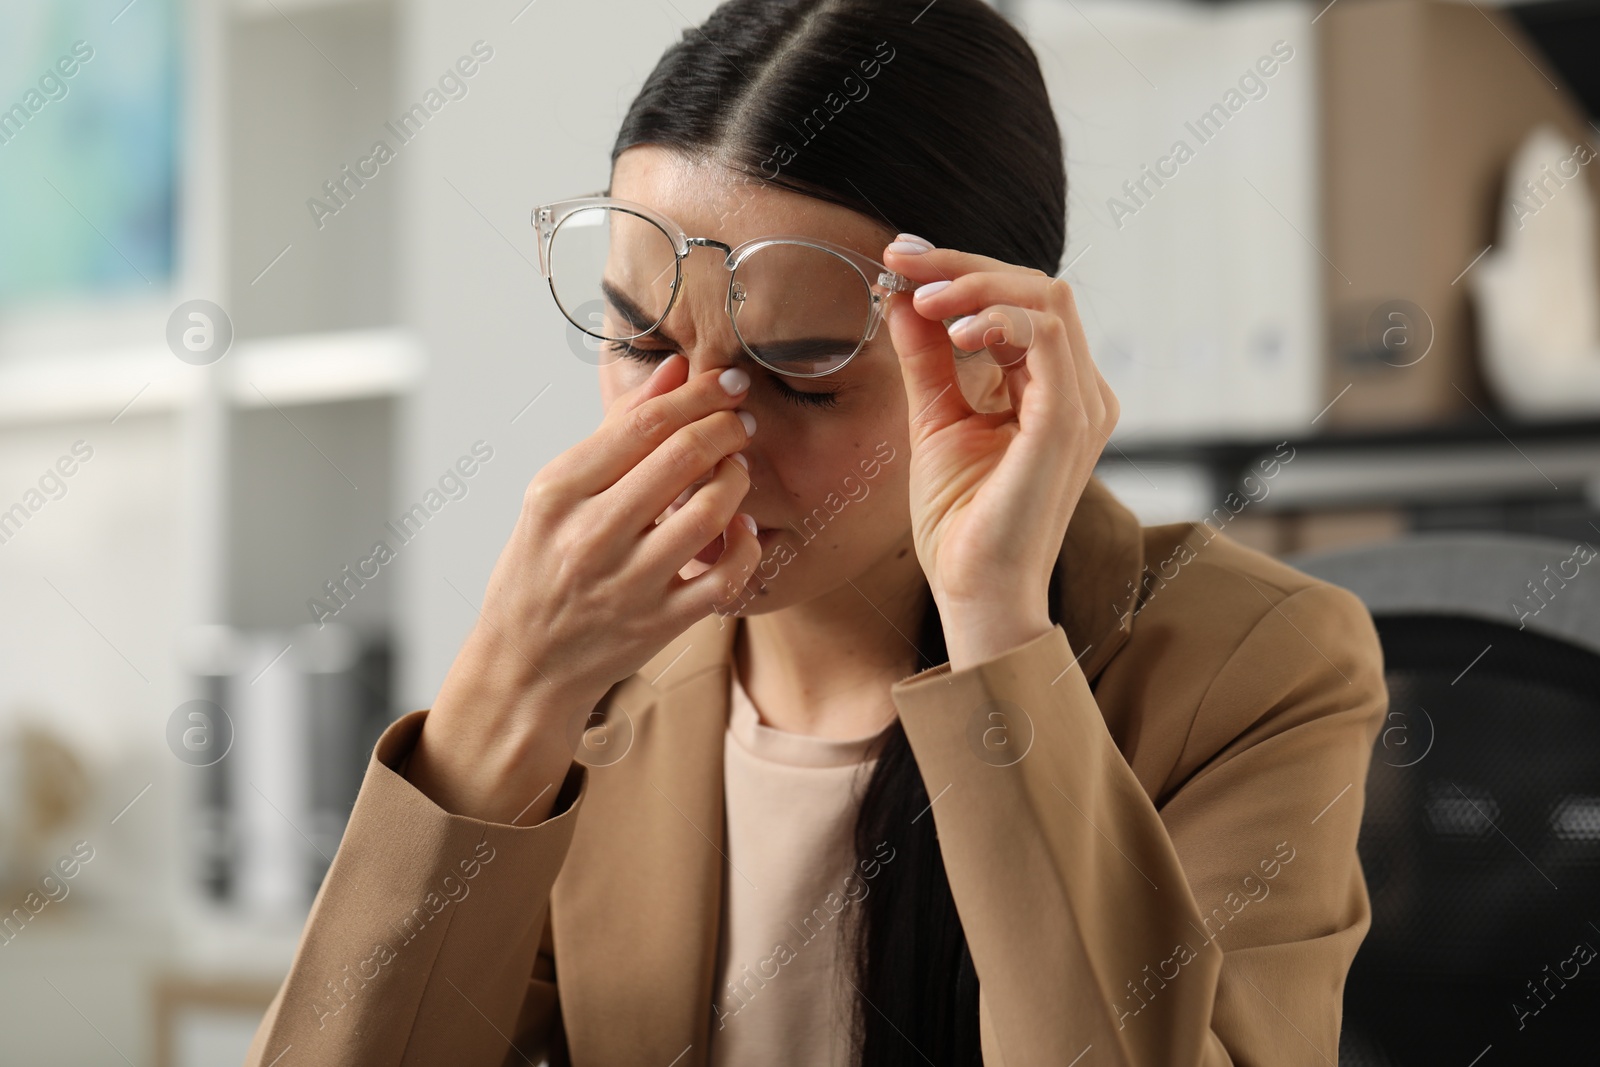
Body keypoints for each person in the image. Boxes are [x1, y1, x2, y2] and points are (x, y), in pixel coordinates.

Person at [244, 0, 1387, 1063]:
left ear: (994, 365)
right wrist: (507, 687)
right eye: (640, 343)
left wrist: (997, 624)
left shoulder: (1260, 666)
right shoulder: (603, 676)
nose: (687, 436)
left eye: (798, 376)